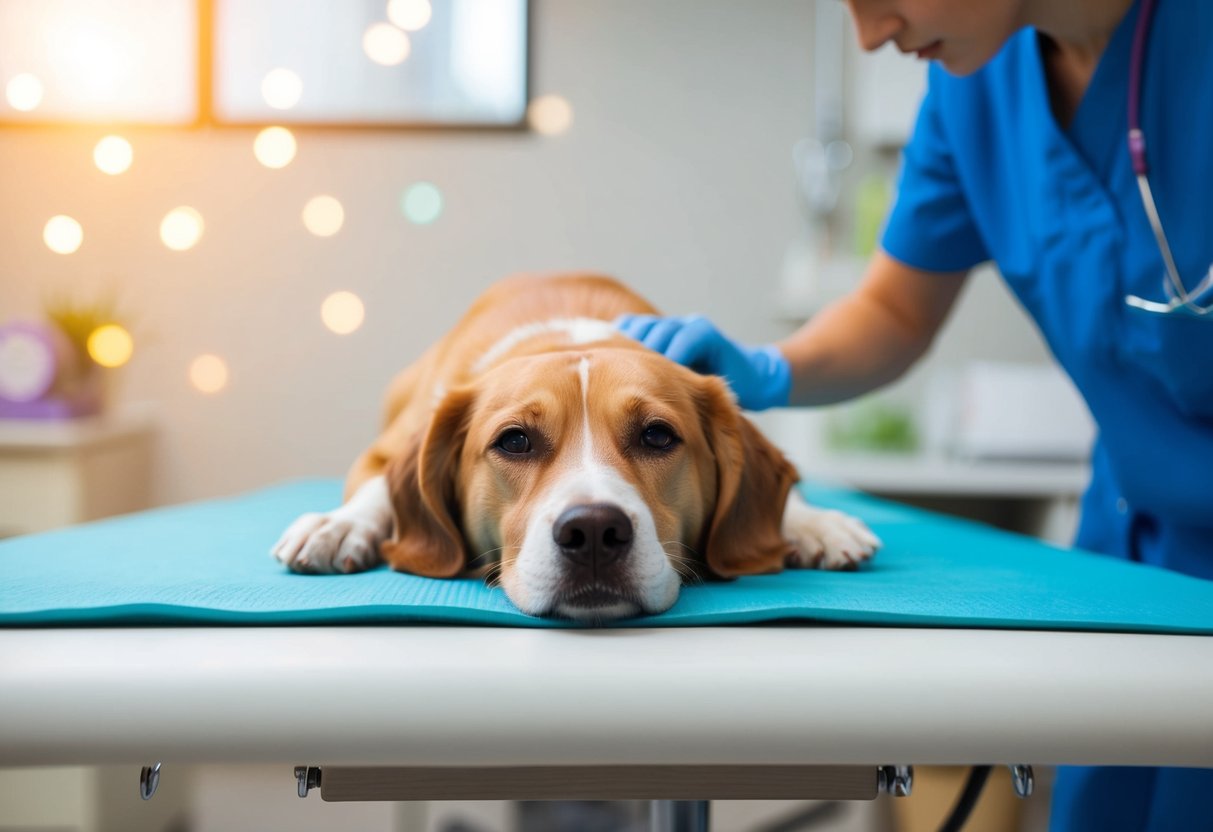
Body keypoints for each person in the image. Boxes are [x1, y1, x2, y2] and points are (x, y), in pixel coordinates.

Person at [616, 0, 1213, 829]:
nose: (867, 34)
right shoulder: (974, 88)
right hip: (1132, 546)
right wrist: (766, 370)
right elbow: (895, 313)